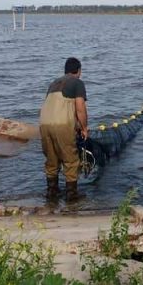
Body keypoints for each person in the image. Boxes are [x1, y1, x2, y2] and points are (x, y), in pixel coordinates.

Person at [39, 57, 89, 200]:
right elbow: (80, 108)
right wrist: (84, 128)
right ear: (78, 71)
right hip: (62, 125)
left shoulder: (53, 83)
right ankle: (72, 195)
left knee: (52, 159)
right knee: (71, 160)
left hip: (44, 123)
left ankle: (52, 193)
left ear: (65, 70)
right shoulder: (78, 83)